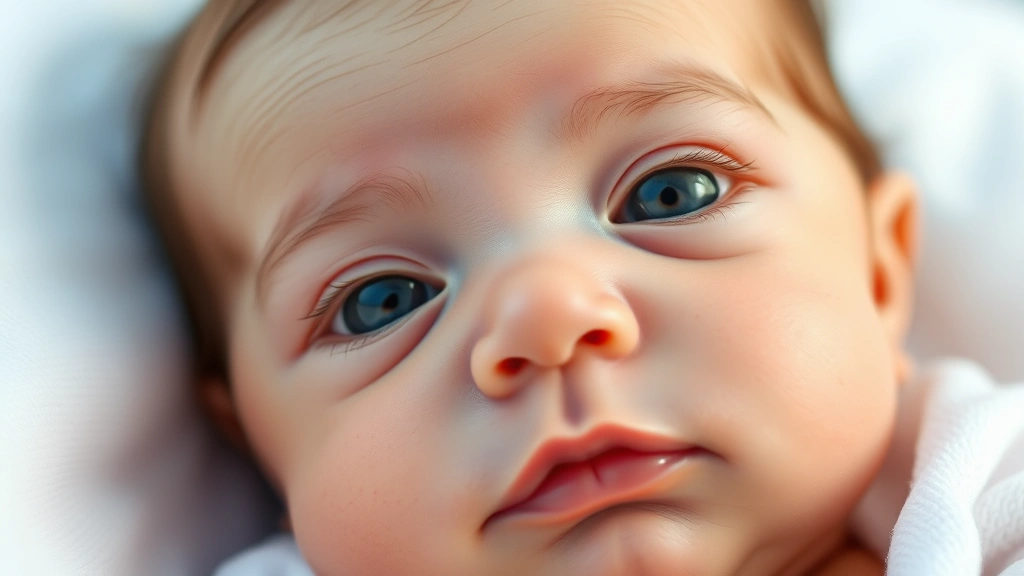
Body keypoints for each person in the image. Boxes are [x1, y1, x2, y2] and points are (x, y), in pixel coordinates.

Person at [139, 0, 1024, 574]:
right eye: (383, 300)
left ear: (878, 272)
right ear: (259, 438)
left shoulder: (983, 481)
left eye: (671, 193)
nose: (547, 318)